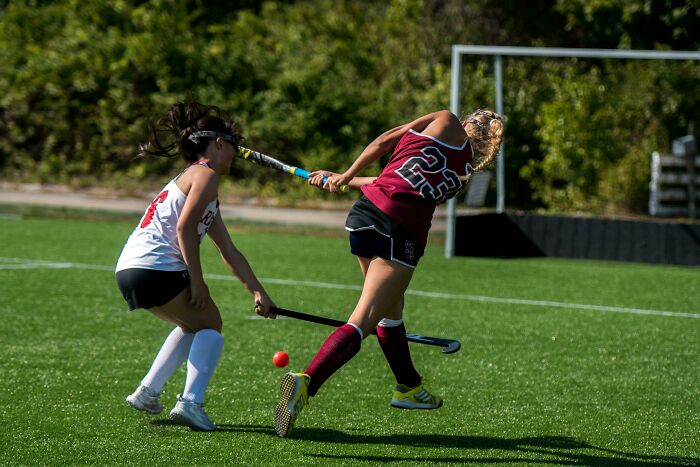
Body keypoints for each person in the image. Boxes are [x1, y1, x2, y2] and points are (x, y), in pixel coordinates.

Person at [273, 108, 504, 437]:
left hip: (365, 214)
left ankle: (407, 386)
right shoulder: (464, 173)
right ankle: (307, 383)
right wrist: (341, 176)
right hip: (399, 232)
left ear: (469, 122)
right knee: (363, 319)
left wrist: (343, 176)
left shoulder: (446, 121)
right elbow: (390, 159)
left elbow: (385, 143)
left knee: (389, 310)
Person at [115, 102, 275, 431]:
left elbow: (228, 249)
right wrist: (197, 282)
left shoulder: (197, 181)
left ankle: (148, 392)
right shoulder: (205, 175)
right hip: (156, 266)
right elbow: (184, 229)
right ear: (218, 144)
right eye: (232, 146)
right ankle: (190, 403)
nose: (234, 154)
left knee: (193, 325)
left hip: (131, 269)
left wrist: (257, 291)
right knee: (211, 324)